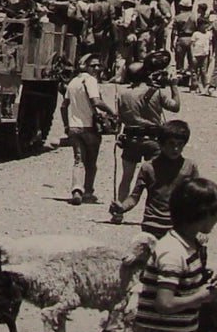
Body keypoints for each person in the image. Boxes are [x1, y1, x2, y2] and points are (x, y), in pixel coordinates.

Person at [125, 177, 217, 332]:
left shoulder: (192, 245)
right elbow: (165, 303)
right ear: (202, 214)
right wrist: (201, 296)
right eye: (216, 213)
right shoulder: (172, 252)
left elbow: (186, 280)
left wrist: (209, 278)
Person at [113, 53, 181, 213]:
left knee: (126, 178)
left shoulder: (122, 94)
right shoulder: (156, 92)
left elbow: (119, 119)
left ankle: (118, 211)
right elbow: (175, 107)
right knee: (157, 177)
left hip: (131, 138)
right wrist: (174, 86)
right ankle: (157, 210)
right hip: (153, 139)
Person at [109, 120, 198, 236]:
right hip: (152, 225)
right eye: (171, 144)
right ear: (161, 144)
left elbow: (197, 199)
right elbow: (134, 197)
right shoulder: (148, 168)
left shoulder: (190, 167)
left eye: (179, 144)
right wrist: (122, 207)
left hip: (178, 226)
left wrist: (199, 226)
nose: (175, 149)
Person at [61, 55, 115, 206]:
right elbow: (95, 101)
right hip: (89, 127)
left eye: (98, 65)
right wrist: (112, 112)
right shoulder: (90, 81)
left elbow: (64, 106)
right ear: (84, 66)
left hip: (74, 127)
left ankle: (76, 190)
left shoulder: (73, 82)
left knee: (79, 159)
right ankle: (88, 192)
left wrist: (66, 125)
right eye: (93, 66)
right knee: (91, 161)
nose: (96, 68)